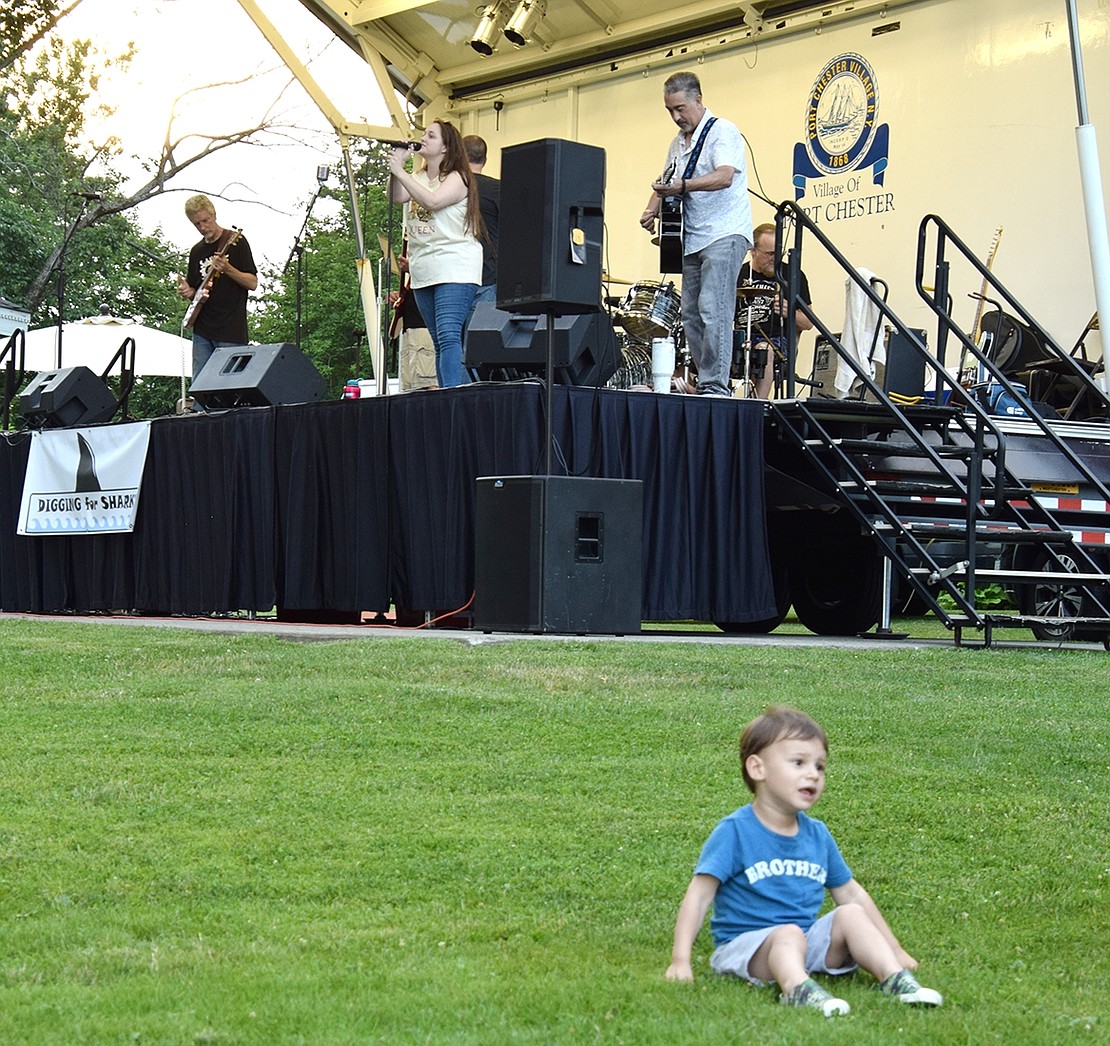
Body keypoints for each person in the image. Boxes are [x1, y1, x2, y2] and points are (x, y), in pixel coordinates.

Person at [665, 706, 943, 1017]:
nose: (813, 773)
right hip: (746, 949)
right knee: (787, 934)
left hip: (803, 940)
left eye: (820, 766)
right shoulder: (735, 832)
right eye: (798, 763)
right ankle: (797, 988)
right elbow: (699, 895)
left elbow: (852, 893)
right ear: (758, 768)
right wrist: (680, 960)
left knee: (849, 913)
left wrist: (896, 948)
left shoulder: (818, 836)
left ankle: (894, 977)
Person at [640, 72, 752, 398]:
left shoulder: (723, 131)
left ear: (698, 100)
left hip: (724, 231)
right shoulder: (677, 142)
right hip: (691, 237)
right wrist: (651, 210)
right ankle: (707, 381)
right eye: (669, 110)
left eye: (680, 108)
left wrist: (683, 187)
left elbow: (725, 176)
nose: (676, 117)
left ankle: (715, 386)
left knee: (712, 307)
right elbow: (666, 179)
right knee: (690, 312)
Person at [388, 121, 484, 388]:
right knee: (438, 339)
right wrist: (398, 168)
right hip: (424, 268)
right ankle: (452, 393)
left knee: (449, 334)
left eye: (431, 136)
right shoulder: (418, 177)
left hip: (454, 266)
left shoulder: (458, 177)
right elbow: (397, 196)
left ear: (445, 147)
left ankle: (453, 396)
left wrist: (400, 171)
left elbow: (433, 201)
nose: (423, 138)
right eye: (424, 134)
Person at [176, 194, 258, 381]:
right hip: (202, 330)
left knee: (230, 385)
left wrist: (228, 269)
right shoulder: (196, 251)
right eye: (197, 224)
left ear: (214, 215)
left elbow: (252, 283)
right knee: (200, 383)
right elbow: (196, 292)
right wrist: (187, 292)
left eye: (206, 220)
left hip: (231, 329)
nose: (203, 227)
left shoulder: (236, 241)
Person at [736, 222, 814, 399]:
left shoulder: (792, 274)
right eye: (769, 254)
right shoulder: (737, 273)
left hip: (777, 341)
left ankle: (756, 406)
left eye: (778, 253)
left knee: (764, 349)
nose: (775, 259)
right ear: (753, 250)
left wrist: (790, 313)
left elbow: (809, 323)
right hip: (742, 337)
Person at [463, 134, 500, 307]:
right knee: (482, 332)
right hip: (489, 275)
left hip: (456, 276)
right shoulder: (499, 189)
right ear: (484, 159)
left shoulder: (450, 188)